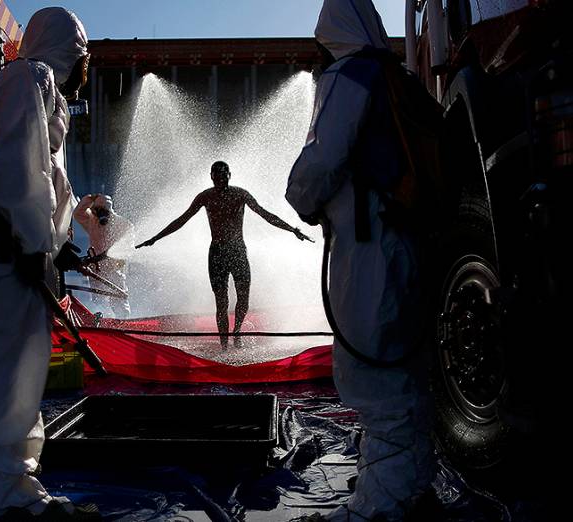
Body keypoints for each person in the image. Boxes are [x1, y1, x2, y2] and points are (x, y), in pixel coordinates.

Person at [285, 1, 437, 520]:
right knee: (405, 372)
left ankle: (380, 508)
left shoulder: (349, 75)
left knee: (371, 374)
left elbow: (323, 159)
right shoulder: (395, 78)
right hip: (405, 244)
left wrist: (300, 198)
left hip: (368, 247)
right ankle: (411, 486)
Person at [0, 7, 99, 521]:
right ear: (69, 52)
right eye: (84, 58)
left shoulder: (29, 84)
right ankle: (7, 493)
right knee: (13, 363)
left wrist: (61, 244)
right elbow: (18, 169)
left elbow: (45, 176)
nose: (86, 71)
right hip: (6, 240)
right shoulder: (30, 77)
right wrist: (35, 245)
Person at [137, 161, 311, 346]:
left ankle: (236, 332)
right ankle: (224, 344)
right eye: (217, 175)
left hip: (237, 251)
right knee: (222, 302)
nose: (220, 179)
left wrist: (292, 229)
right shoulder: (206, 197)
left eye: (224, 175)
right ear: (211, 176)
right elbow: (182, 219)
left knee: (243, 299)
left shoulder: (240, 194)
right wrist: (156, 238)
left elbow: (265, 214)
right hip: (218, 253)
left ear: (230, 175)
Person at [73, 193, 135, 318]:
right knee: (98, 298)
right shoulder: (91, 221)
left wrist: (120, 259)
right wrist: (90, 199)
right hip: (96, 267)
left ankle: (123, 321)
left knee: (118, 295)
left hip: (114, 266)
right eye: (97, 210)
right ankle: (102, 320)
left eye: (104, 210)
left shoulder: (122, 223)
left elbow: (128, 246)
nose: (101, 214)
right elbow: (77, 213)